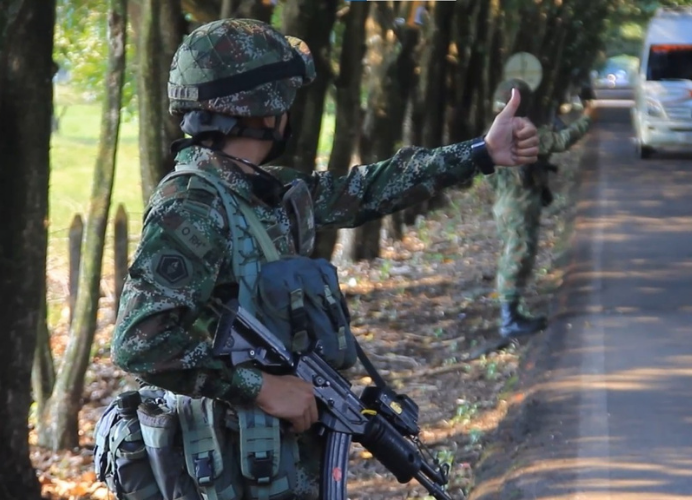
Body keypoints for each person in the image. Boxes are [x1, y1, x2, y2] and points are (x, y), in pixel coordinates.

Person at [109, 18, 539, 499]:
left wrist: (481, 152)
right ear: (267, 108)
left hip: (275, 461)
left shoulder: (261, 191)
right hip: (230, 466)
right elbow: (138, 343)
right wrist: (259, 387)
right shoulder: (191, 207)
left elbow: (369, 189)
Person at [489, 78, 591, 339]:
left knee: (513, 253)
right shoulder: (522, 130)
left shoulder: (493, 131)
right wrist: (589, 118)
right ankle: (509, 320)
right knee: (517, 256)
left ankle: (513, 313)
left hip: (505, 203)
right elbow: (561, 141)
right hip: (520, 205)